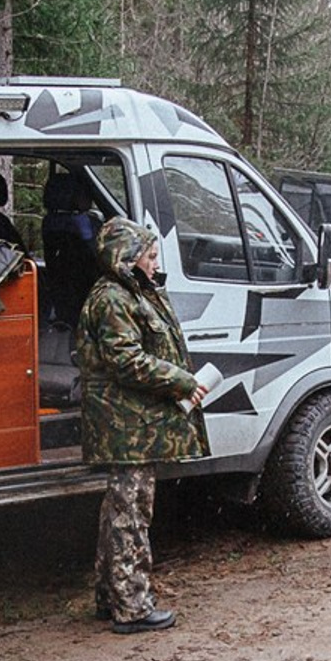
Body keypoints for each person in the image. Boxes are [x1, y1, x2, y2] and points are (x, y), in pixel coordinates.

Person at [75, 217, 210, 634]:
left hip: (133, 423)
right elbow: (126, 361)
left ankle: (108, 596)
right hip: (125, 426)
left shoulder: (130, 292)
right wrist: (183, 381)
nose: (154, 263)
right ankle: (132, 608)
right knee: (130, 514)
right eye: (150, 256)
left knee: (119, 510)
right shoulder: (113, 299)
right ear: (127, 259)